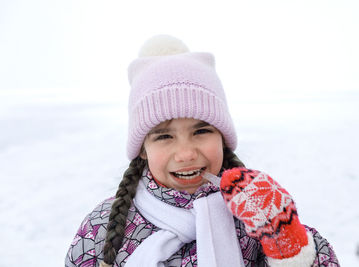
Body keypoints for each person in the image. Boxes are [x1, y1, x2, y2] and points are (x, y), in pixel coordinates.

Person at [65, 35, 339, 267]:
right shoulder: (102, 227)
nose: (185, 153)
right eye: (164, 136)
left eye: (201, 131)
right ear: (143, 150)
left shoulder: (255, 215)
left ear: (222, 137)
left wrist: (290, 245)